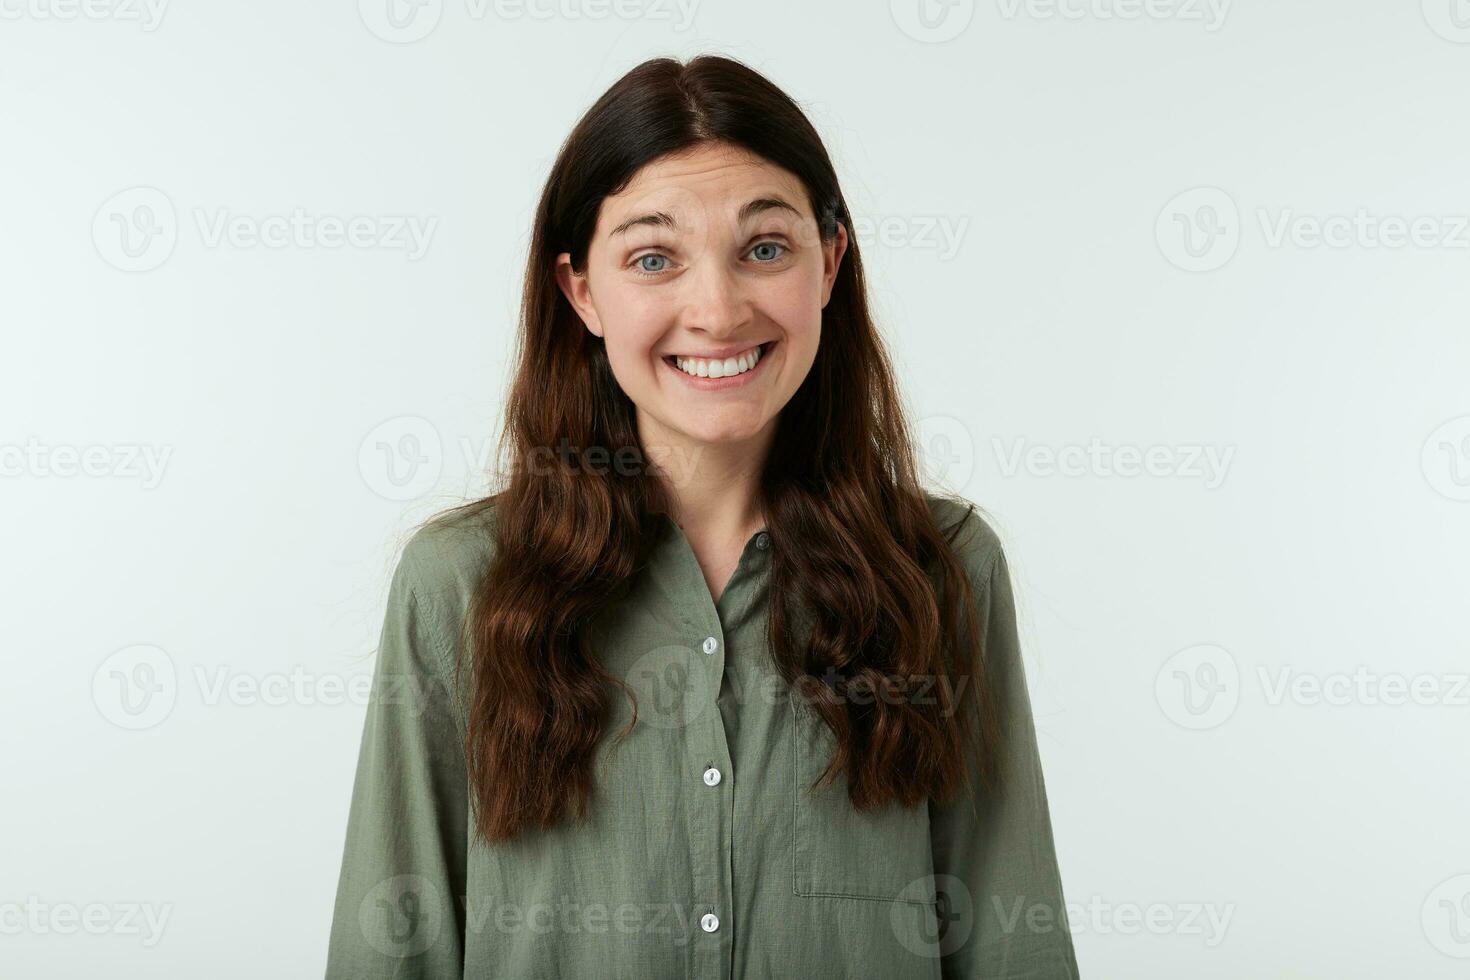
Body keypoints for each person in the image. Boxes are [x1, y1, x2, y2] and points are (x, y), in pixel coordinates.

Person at [326, 53, 1080, 979]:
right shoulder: (458, 585)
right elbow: (391, 947)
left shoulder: (946, 570)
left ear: (830, 261)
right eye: (653, 258)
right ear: (582, 292)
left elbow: (1012, 945)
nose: (717, 311)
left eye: (765, 248)